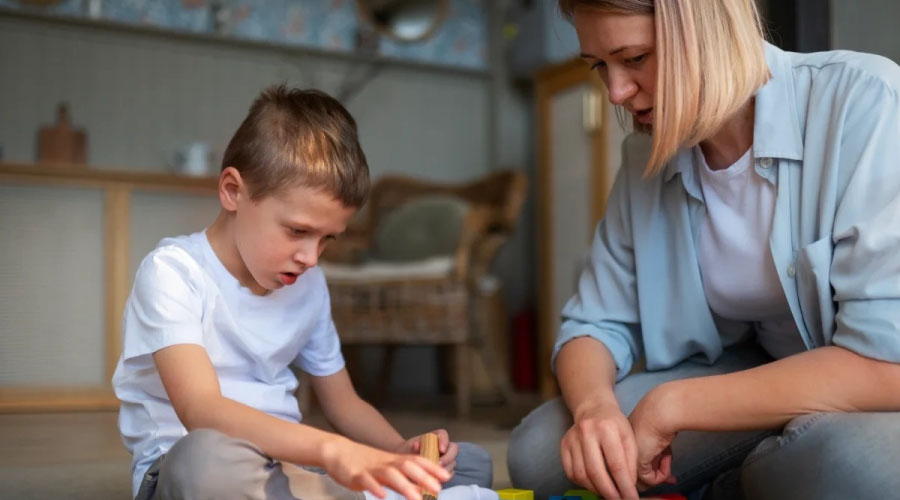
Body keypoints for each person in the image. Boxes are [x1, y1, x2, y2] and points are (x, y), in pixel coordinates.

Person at [507, 1, 900, 499]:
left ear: (708, 30)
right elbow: (593, 326)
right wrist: (594, 411)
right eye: (600, 65)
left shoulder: (864, 100)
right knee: (542, 453)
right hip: (752, 366)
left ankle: (746, 476)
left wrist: (675, 404)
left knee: (853, 469)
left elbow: (889, 364)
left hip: (869, 386)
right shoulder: (644, 159)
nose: (616, 92)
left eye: (636, 58)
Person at [112, 85, 494, 500]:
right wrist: (335, 451)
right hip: (190, 464)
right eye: (297, 231)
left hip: (290, 466)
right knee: (205, 462)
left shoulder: (308, 284)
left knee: (471, 463)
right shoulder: (172, 273)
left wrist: (399, 451)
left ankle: (325, 490)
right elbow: (201, 411)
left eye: (327, 238)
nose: (311, 257)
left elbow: (344, 403)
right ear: (233, 192)